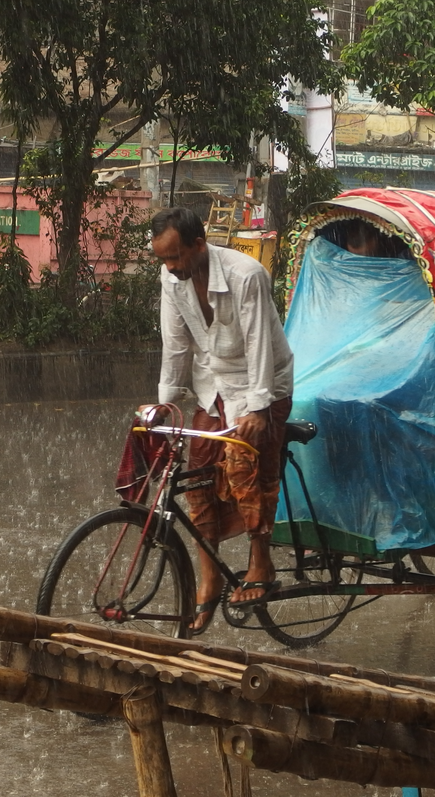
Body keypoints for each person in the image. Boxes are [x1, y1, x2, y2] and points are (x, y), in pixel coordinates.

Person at [152, 206, 295, 633]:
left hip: (264, 383)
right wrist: (163, 402)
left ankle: (260, 560)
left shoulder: (245, 275)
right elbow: (175, 345)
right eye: (163, 259)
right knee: (196, 474)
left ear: (199, 245)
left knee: (245, 463)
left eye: (176, 257)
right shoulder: (171, 279)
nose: (171, 267)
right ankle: (210, 574)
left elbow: (259, 345)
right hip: (212, 386)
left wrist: (258, 408)